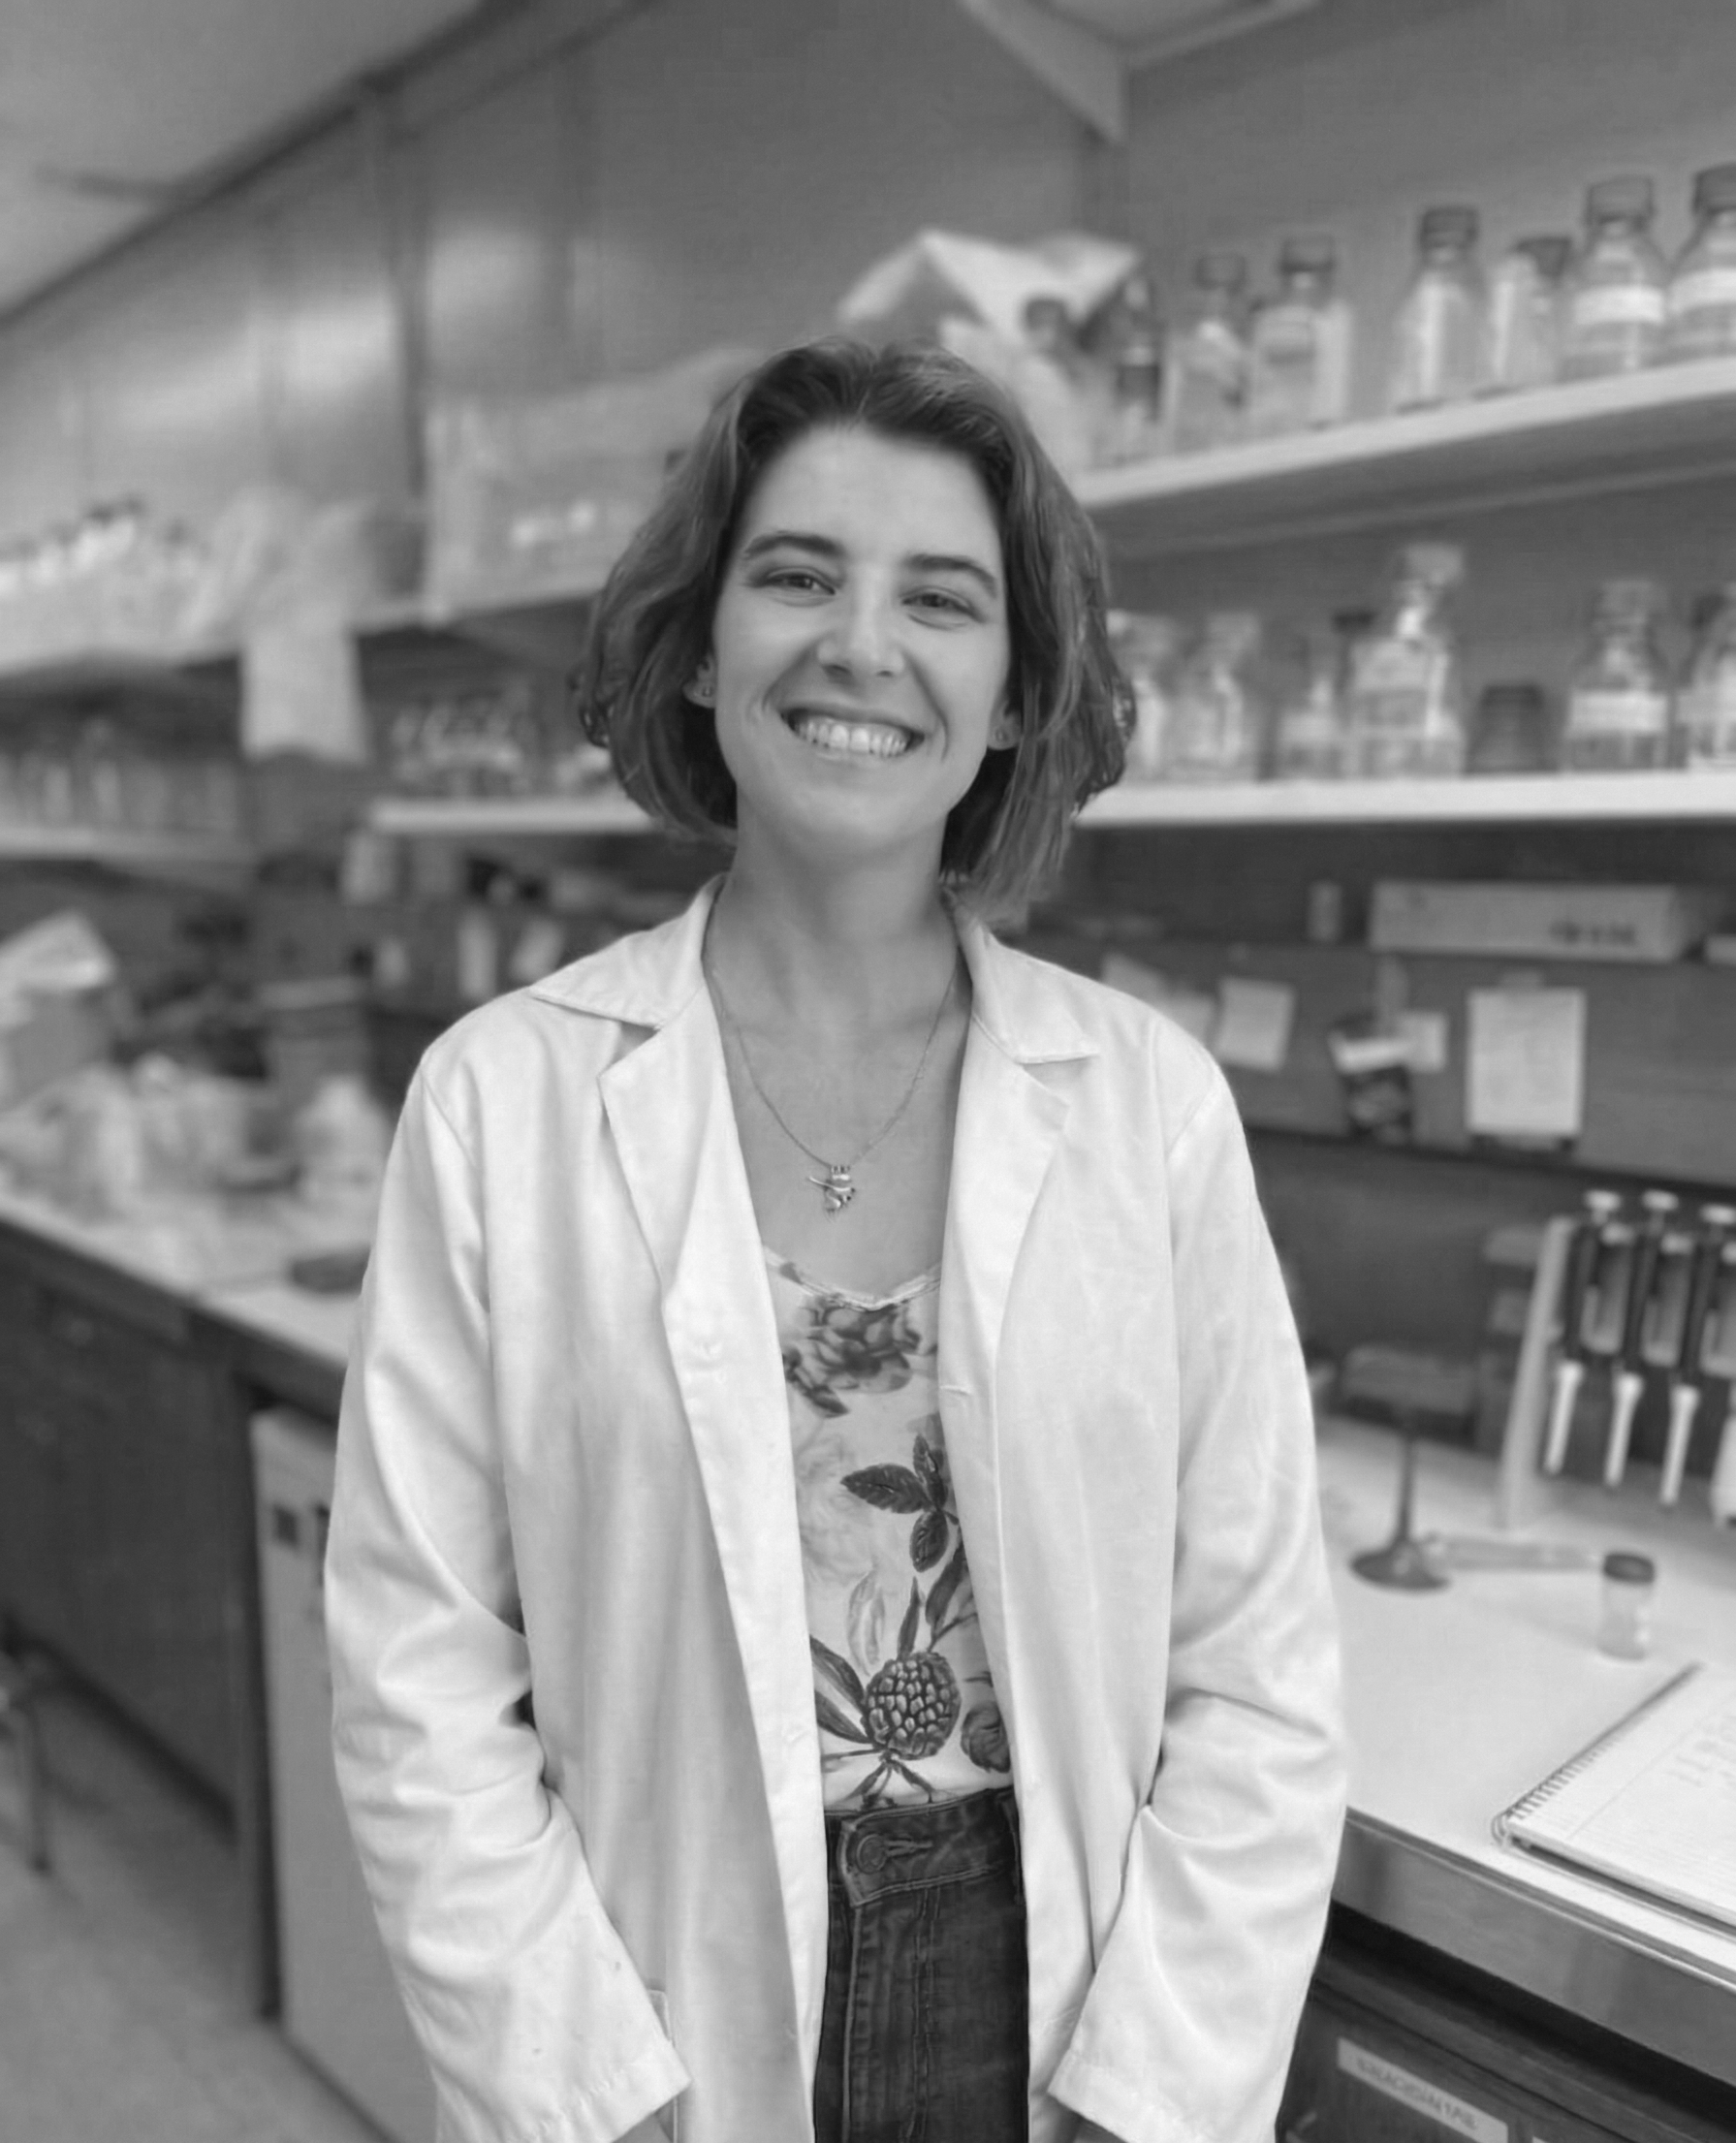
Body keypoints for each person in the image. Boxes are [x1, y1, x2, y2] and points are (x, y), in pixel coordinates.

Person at [325, 337, 1346, 2143]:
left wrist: (1148, 2096)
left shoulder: (1144, 1106)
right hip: (662, 1985)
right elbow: (416, 1671)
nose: (858, 643)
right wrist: (585, 2091)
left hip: (1052, 1992)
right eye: (795, 572)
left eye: (940, 599)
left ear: (1017, 690)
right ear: (700, 643)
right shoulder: (505, 1098)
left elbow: (1259, 1663)